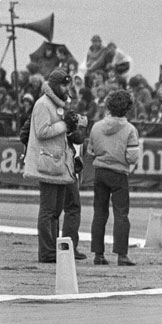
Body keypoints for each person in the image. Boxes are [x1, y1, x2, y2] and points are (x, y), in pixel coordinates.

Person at [22, 70, 86, 263]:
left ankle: (53, 249)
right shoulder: (42, 104)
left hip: (59, 162)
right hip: (48, 163)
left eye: (68, 85)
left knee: (56, 210)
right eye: (64, 85)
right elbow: (42, 131)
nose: (67, 88)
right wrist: (65, 125)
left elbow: (60, 132)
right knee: (48, 210)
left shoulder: (60, 103)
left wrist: (74, 127)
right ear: (54, 85)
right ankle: (46, 252)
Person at [87, 90, 140, 266]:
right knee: (121, 214)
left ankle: (98, 254)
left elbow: (90, 151)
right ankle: (122, 255)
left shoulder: (96, 127)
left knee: (99, 213)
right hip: (119, 174)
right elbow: (132, 157)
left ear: (108, 106)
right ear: (128, 109)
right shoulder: (130, 129)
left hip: (100, 172)